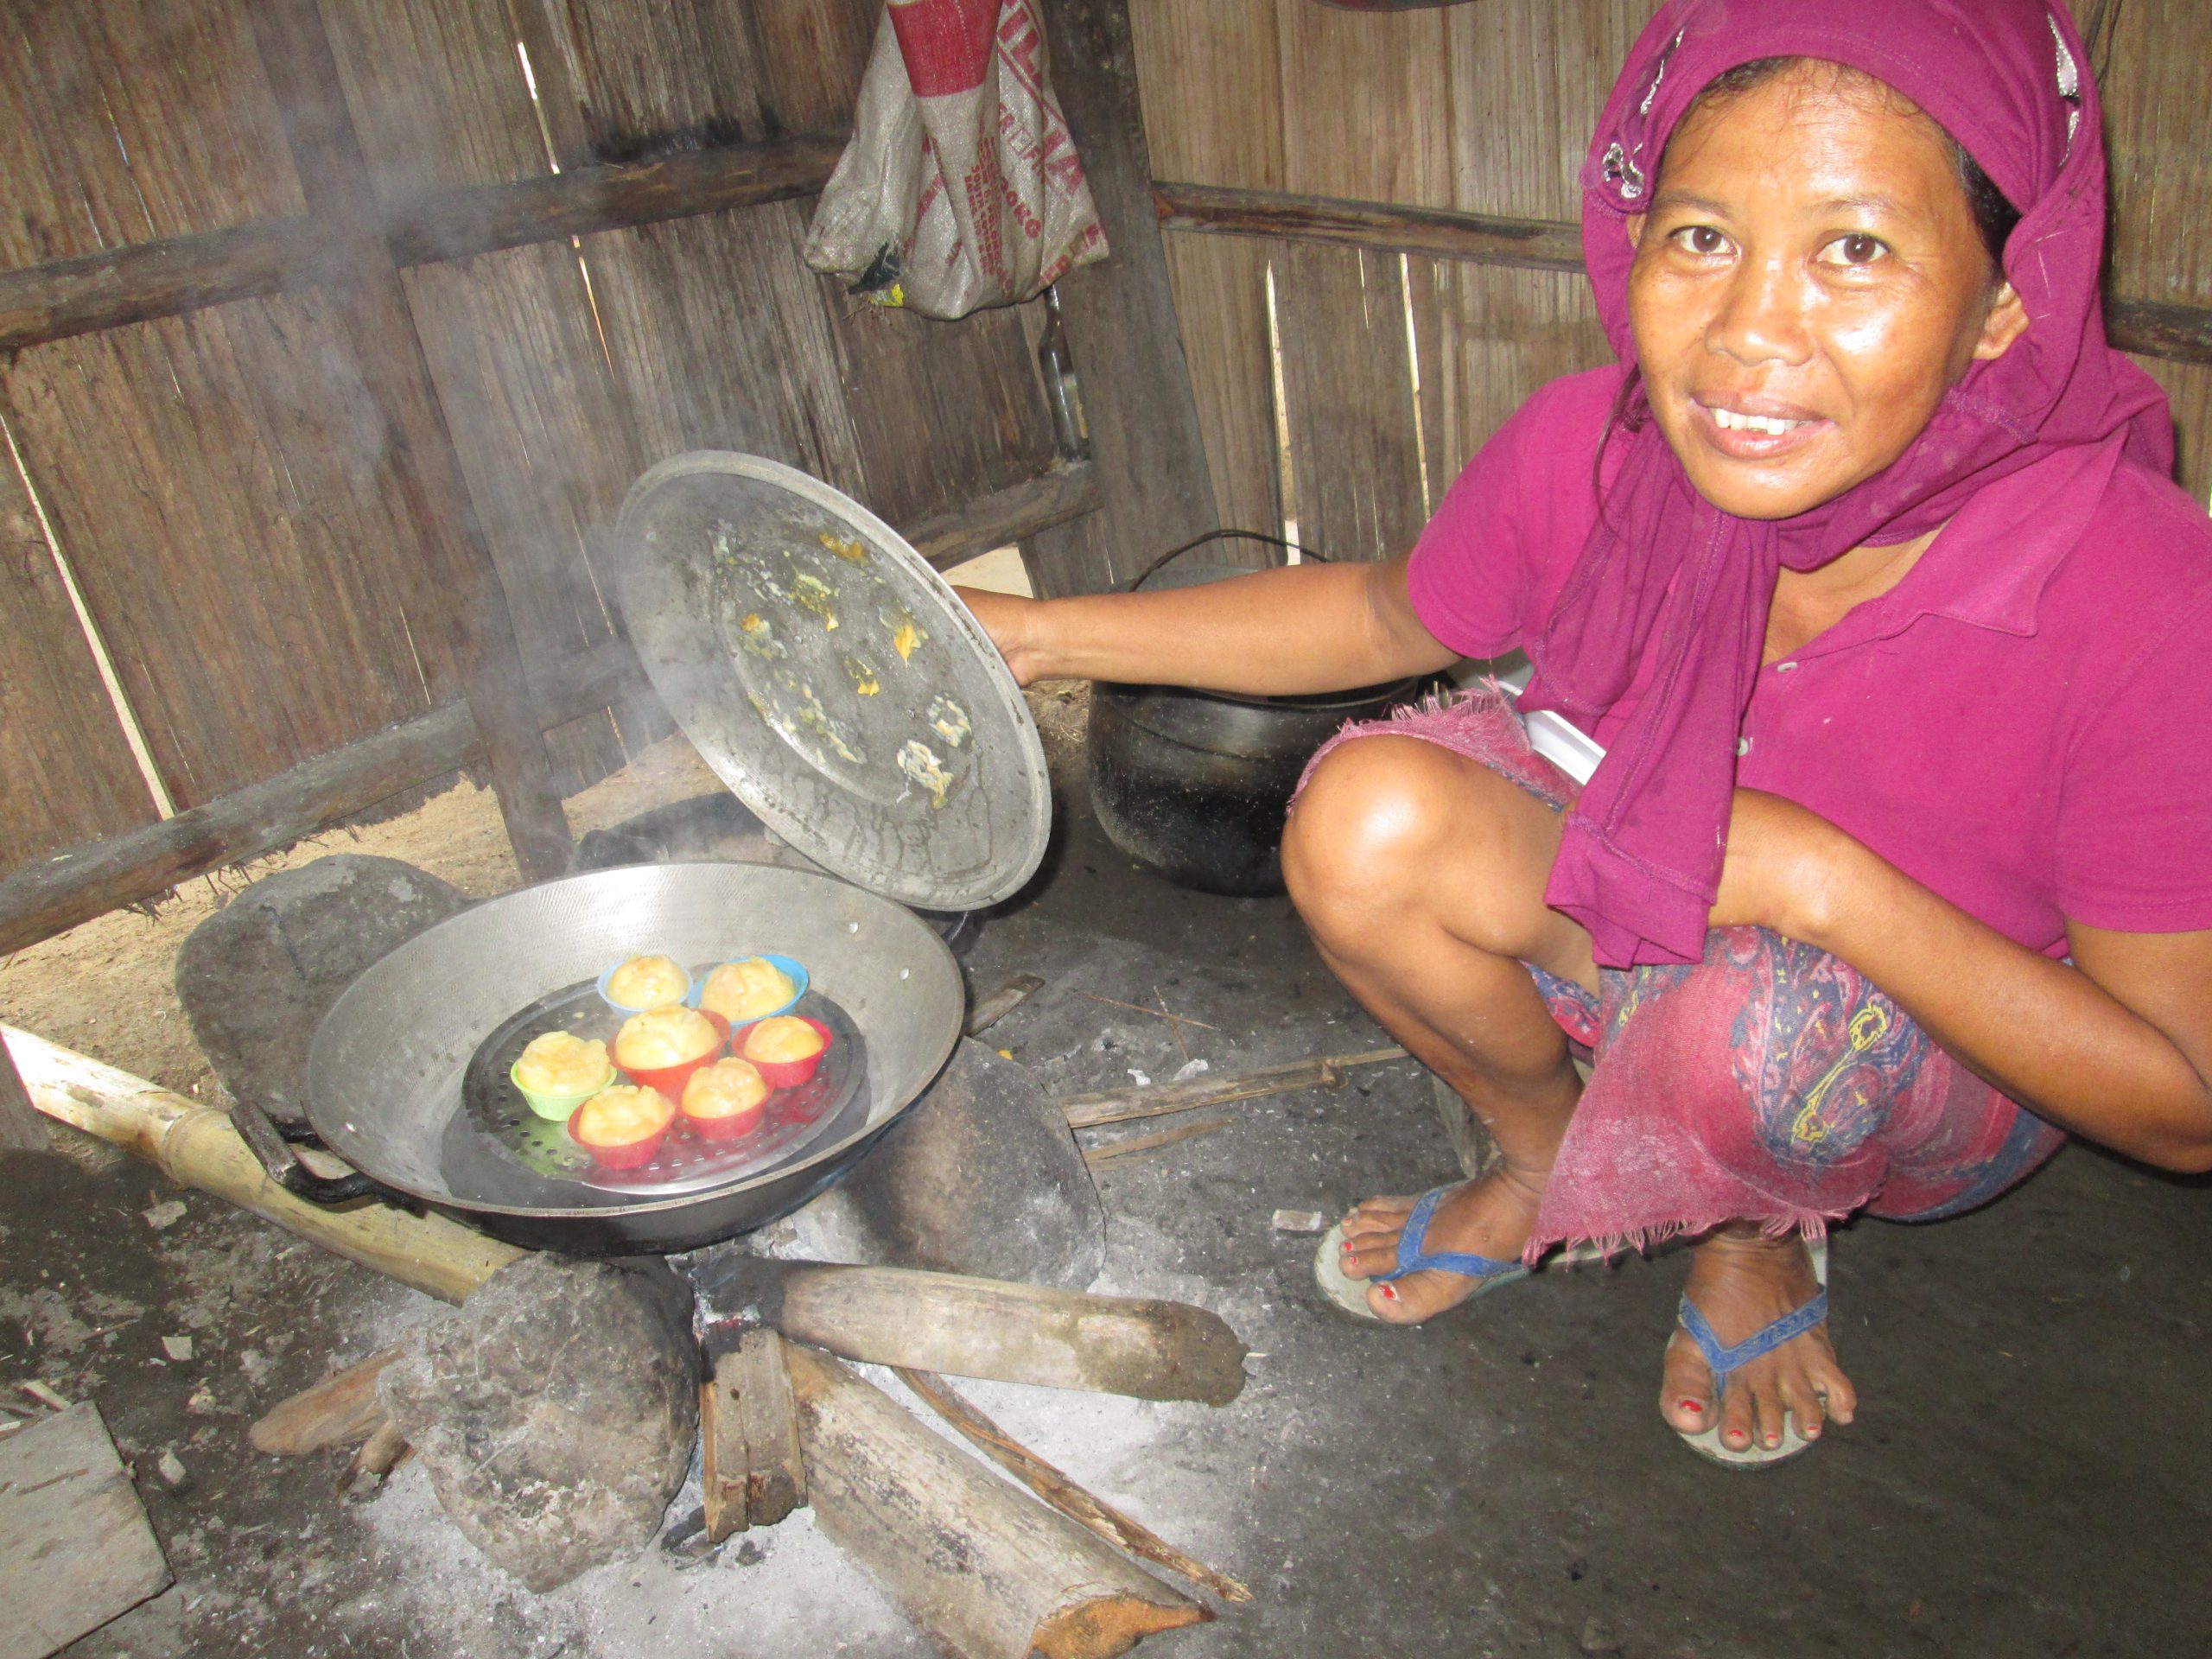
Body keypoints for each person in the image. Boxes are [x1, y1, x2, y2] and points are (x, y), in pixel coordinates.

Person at [962, 0, 2212, 1466]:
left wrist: (1820, 883)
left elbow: (2185, 1105)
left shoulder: (2141, 594)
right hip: (1643, 907)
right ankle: (1549, 1164)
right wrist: (1036, 637)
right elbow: (1381, 611)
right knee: (1367, 817)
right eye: (1704, 237)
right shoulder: (1598, 449)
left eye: (1857, 251)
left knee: (1751, 1029)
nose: (1749, 335)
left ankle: (1751, 1237)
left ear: (2006, 302)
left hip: (1918, 1056)